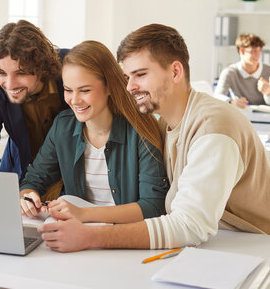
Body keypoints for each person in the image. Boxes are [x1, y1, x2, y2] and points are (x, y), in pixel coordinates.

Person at [38, 24, 270, 289]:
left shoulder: (214, 127)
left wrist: (90, 236)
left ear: (176, 72)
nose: (129, 87)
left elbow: (189, 225)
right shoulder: (165, 122)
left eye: (140, 74)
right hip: (212, 253)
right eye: (127, 76)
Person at [19, 40, 169, 223]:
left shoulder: (140, 129)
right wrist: (28, 196)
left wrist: (82, 214)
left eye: (84, 90)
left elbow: (152, 206)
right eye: (68, 90)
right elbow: (34, 179)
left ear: (109, 87)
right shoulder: (63, 126)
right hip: (78, 236)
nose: (74, 100)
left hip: (127, 238)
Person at [0, 20, 68, 200]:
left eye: (21, 73)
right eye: (2, 73)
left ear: (41, 67)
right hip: (27, 170)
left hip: (75, 173)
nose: (9, 85)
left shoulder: (70, 67)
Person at [214, 33, 270, 107]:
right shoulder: (230, 72)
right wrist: (231, 102)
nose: (258, 55)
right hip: (240, 115)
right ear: (242, 51)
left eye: (259, 50)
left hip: (266, 118)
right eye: (254, 51)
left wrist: (269, 93)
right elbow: (217, 97)